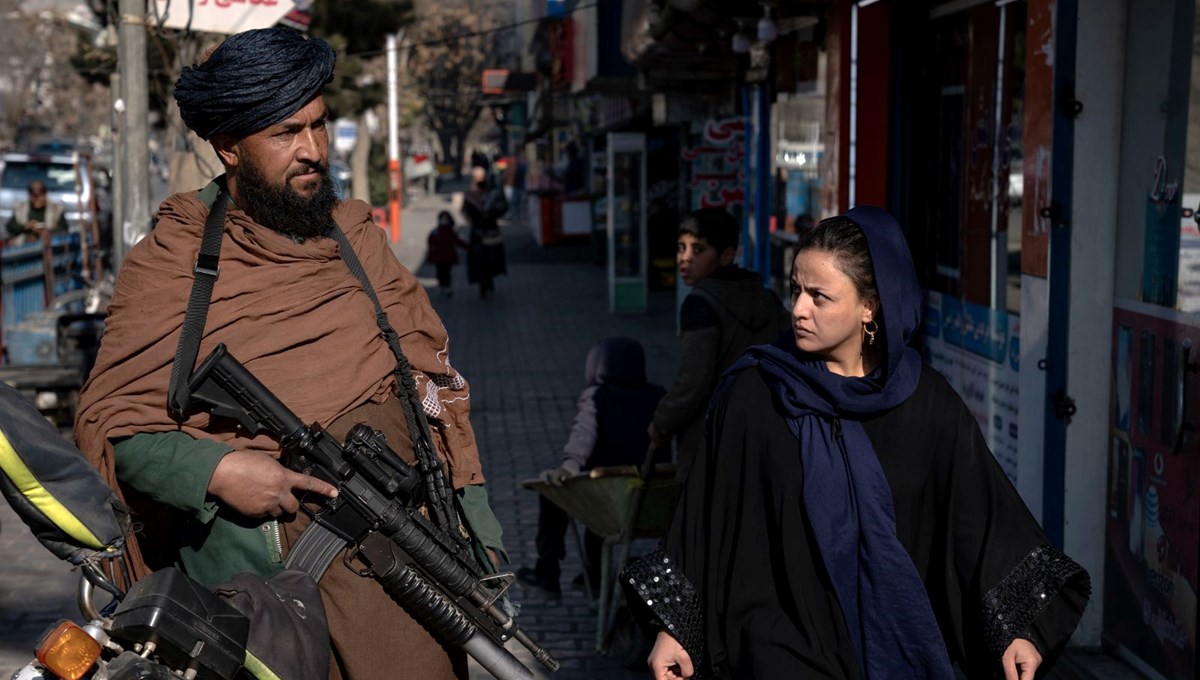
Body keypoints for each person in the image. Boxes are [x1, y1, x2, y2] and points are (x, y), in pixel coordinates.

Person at [74, 27, 506, 680]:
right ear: (230, 148)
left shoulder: (358, 240)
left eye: (318, 126)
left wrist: (483, 548)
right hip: (267, 613)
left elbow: (436, 402)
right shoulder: (176, 260)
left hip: (406, 594)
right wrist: (218, 473)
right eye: (285, 134)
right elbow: (121, 429)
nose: (312, 151)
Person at [622, 207, 1091, 680]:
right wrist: (674, 629)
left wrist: (1015, 630)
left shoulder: (926, 403)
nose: (799, 309)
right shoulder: (755, 395)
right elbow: (705, 517)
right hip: (776, 649)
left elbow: (979, 522)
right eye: (795, 290)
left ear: (871, 304)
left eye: (819, 296)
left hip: (896, 652)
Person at [516, 337, 667, 597]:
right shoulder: (660, 397)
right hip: (652, 496)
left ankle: (547, 570)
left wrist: (569, 466)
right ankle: (594, 575)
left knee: (557, 491)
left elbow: (583, 435)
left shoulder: (597, 396)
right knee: (599, 493)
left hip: (609, 494)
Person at [648, 207, 790, 479]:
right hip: (764, 432)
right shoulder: (767, 298)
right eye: (681, 248)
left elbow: (693, 380)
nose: (685, 259)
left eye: (698, 250)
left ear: (726, 255)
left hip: (711, 439)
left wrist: (661, 424)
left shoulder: (701, 303)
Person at [462, 165, 507, 298]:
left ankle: (488, 283)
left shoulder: (492, 194)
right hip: (478, 233)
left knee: (491, 259)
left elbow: (502, 208)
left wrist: (490, 213)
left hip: (490, 232)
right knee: (480, 260)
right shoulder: (470, 196)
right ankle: (484, 284)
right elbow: (466, 213)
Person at [5, 180, 69, 244]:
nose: (36, 200)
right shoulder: (21, 208)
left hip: (49, 244)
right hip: (24, 244)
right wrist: (25, 227)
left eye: (39, 196)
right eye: (34, 197)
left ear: (45, 195)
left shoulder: (56, 209)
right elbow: (10, 227)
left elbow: (64, 228)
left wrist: (48, 231)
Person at [427, 210, 467, 297]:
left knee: (446, 272)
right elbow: (431, 243)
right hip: (440, 257)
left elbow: (457, 241)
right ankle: (443, 286)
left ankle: (446, 287)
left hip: (447, 256)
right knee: (441, 272)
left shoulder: (450, 231)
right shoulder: (436, 231)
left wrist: (468, 247)